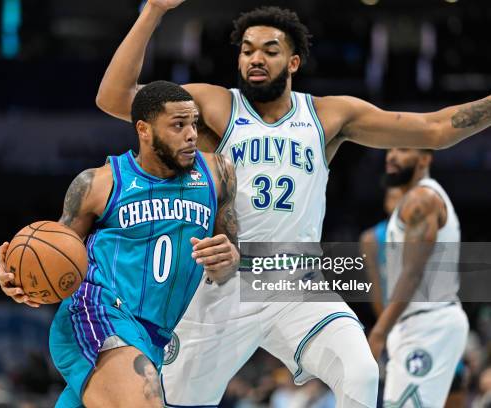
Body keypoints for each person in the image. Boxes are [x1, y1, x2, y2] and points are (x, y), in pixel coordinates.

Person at [95, 1, 491, 406]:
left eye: (270, 49)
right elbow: (114, 98)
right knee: (173, 401)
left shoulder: (327, 114)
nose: (255, 58)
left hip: (295, 283)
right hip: (221, 284)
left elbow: (436, 129)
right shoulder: (213, 105)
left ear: (294, 62)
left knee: (361, 371)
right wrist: (153, 12)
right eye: (247, 49)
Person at [0, 81, 240, 407]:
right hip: (99, 314)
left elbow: (230, 253)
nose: (192, 134)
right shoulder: (98, 183)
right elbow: (54, 250)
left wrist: (230, 258)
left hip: (155, 338)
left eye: (194, 123)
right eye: (178, 125)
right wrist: (16, 275)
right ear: (144, 130)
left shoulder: (218, 173)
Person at [368, 148, 468, 407]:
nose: (391, 155)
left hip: (428, 324)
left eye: (402, 149)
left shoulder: (422, 199)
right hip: (416, 324)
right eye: (390, 148)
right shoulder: (410, 201)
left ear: (425, 158)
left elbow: (413, 273)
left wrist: (378, 334)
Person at [360, 187, 403, 318]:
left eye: (404, 198)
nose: (399, 203)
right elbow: (375, 287)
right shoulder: (371, 239)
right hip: (387, 314)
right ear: (386, 202)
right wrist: (384, 324)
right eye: (394, 198)